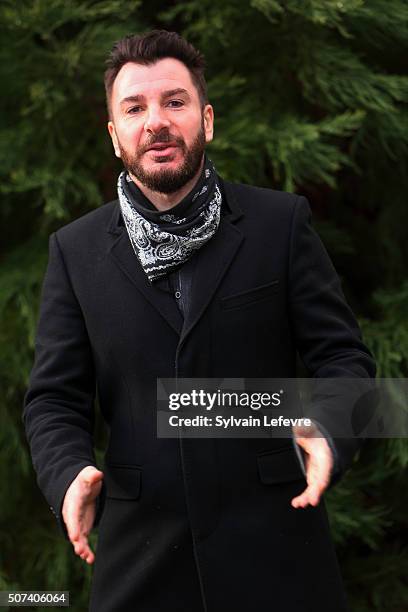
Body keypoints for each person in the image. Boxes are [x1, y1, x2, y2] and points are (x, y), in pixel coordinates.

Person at [23, 30, 376, 612]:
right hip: (139, 564)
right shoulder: (74, 251)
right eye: (134, 108)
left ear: (206, 120)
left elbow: (345, 359)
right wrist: (67, 476)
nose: (155, 121)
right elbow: (53, 400)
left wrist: (330, 429)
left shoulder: (279, 225)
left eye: (175, 102)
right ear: (115, 137)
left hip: (280, 559)